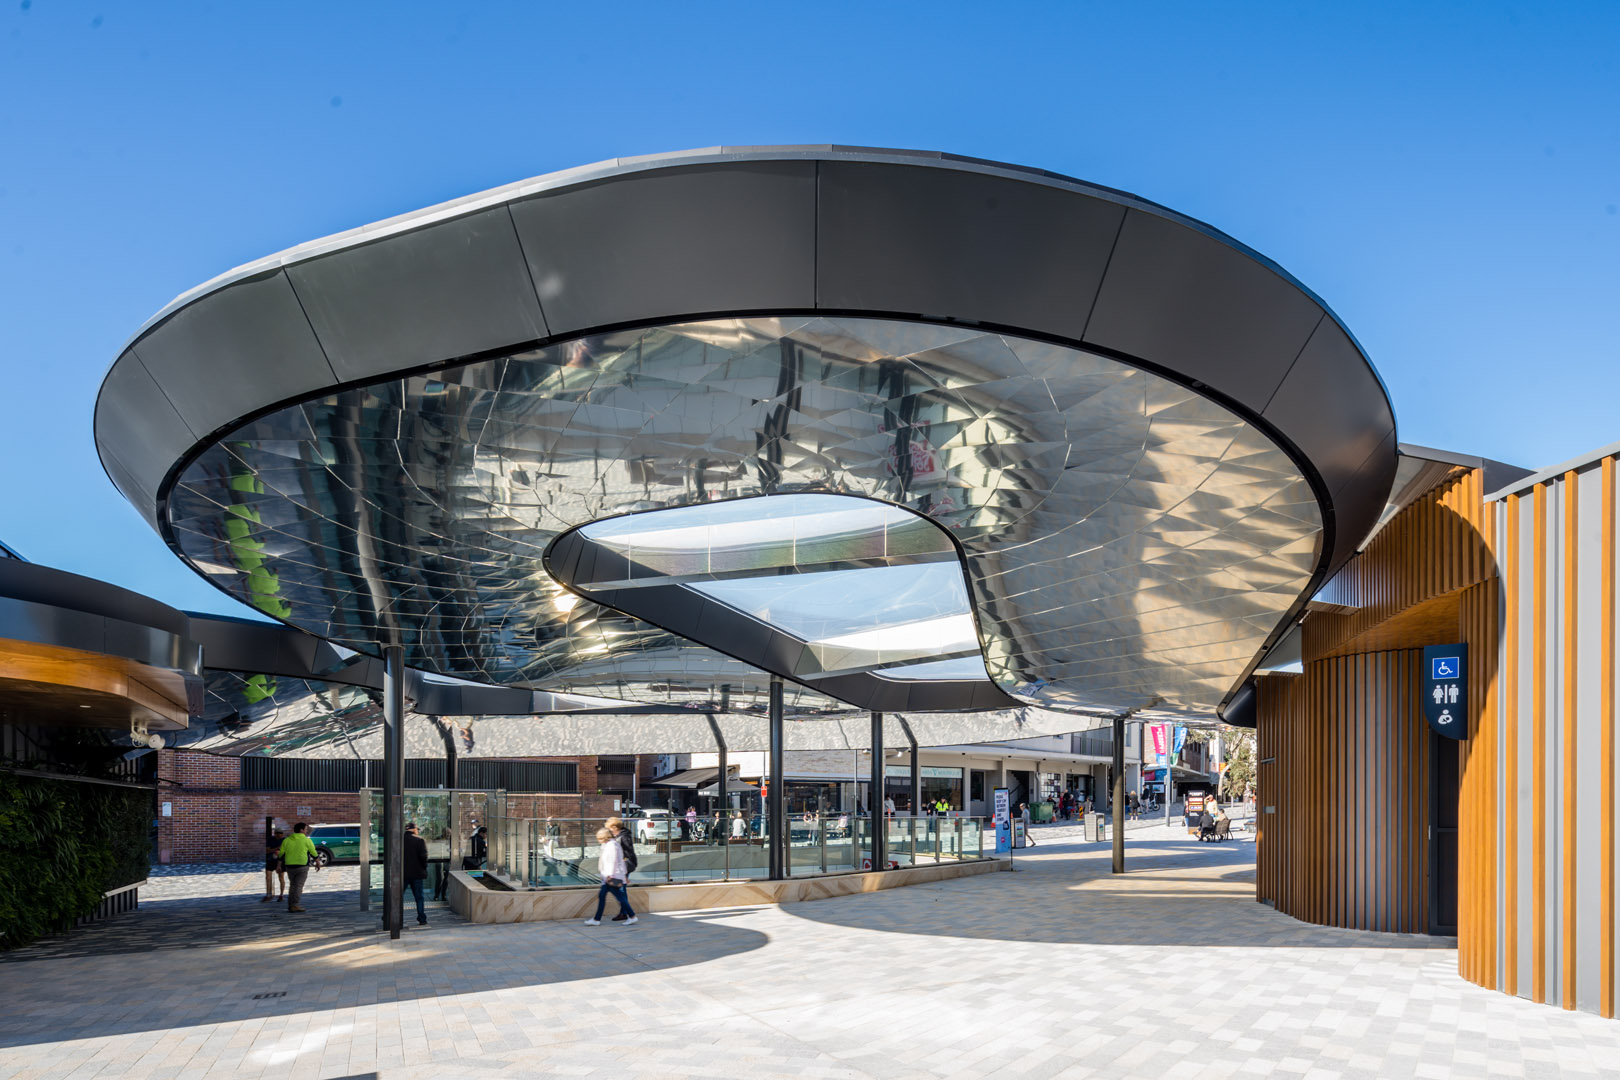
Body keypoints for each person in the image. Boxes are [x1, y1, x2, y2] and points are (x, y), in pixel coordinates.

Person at [584, 826, 637, 926]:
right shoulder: (609, 844)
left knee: (619, 898)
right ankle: (597, 919)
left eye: (599, 838)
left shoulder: (611, 845)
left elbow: (613, 862)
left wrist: (609, 875)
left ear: (604, 837)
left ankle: (632, 916)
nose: (598, 841)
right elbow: (618, 861)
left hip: (612, 877)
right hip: (610, 876)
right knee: (606, 896)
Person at [279, 822, 319, 912]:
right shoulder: (306, 840)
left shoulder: (287, 840)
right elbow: (313, 852)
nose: (306, 831)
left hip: (289, 866)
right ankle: (295, 905)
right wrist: (317, 862)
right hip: (302, 866)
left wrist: (278, 865)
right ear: (301, 830)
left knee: (293, 885)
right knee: (298, 886)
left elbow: (281, 853)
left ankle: (291, 905)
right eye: (305, 829)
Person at [402, 822, 430, 926]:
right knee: (419, 897)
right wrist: (424, 868)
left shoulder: (399, 841)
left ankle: (392, 915)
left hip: (403, 874)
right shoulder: (419, 840)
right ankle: (422, 918)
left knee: (398, 896)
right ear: (414, 829)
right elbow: (424, 857)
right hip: (417, 873)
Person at [262, 828, 286, 903]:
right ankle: (268, 894)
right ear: (274, 833)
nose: (278, 835)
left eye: (280, 833)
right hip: (270, 860)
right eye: (277, 833)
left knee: (281, 877)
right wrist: (277, 849)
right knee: (268, 876)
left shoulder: (285, 840)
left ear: (282, 834)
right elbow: (267, 850)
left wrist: (275, 850)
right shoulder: (270, 839)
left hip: (281, 860)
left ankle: (281, 895)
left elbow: (286, 851)